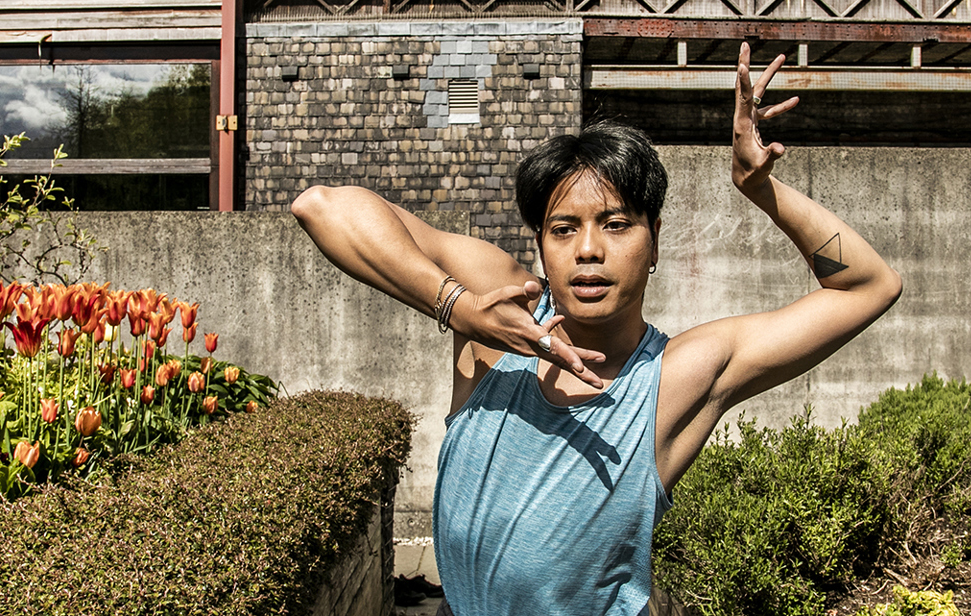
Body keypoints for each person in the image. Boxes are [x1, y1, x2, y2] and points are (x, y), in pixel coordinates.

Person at [291, 44, 901, 616]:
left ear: (654, 240)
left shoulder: (676, 378)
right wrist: (455, 305)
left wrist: (760, 189)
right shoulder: (497, 312)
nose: (588, 250)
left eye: (616, 224)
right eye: (563, 229)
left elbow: (871, 286)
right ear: (540, 243)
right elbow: (321, 206)